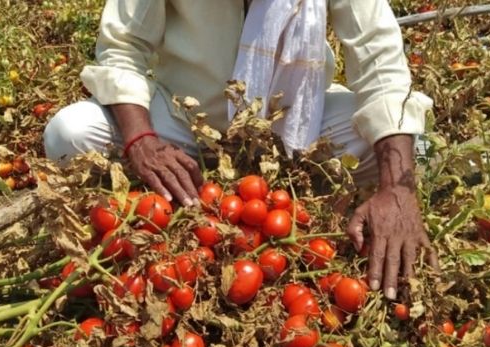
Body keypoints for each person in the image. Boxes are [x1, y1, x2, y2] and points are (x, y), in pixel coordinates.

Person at [43, 0, 439, 300]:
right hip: (184, 123)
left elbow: (379, 58)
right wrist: (141, 141)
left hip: (295, 122)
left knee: (419, 144)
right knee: (68, 135)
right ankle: (195, 176)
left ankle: (393, 191)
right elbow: (122, 47)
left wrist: (400, 188)